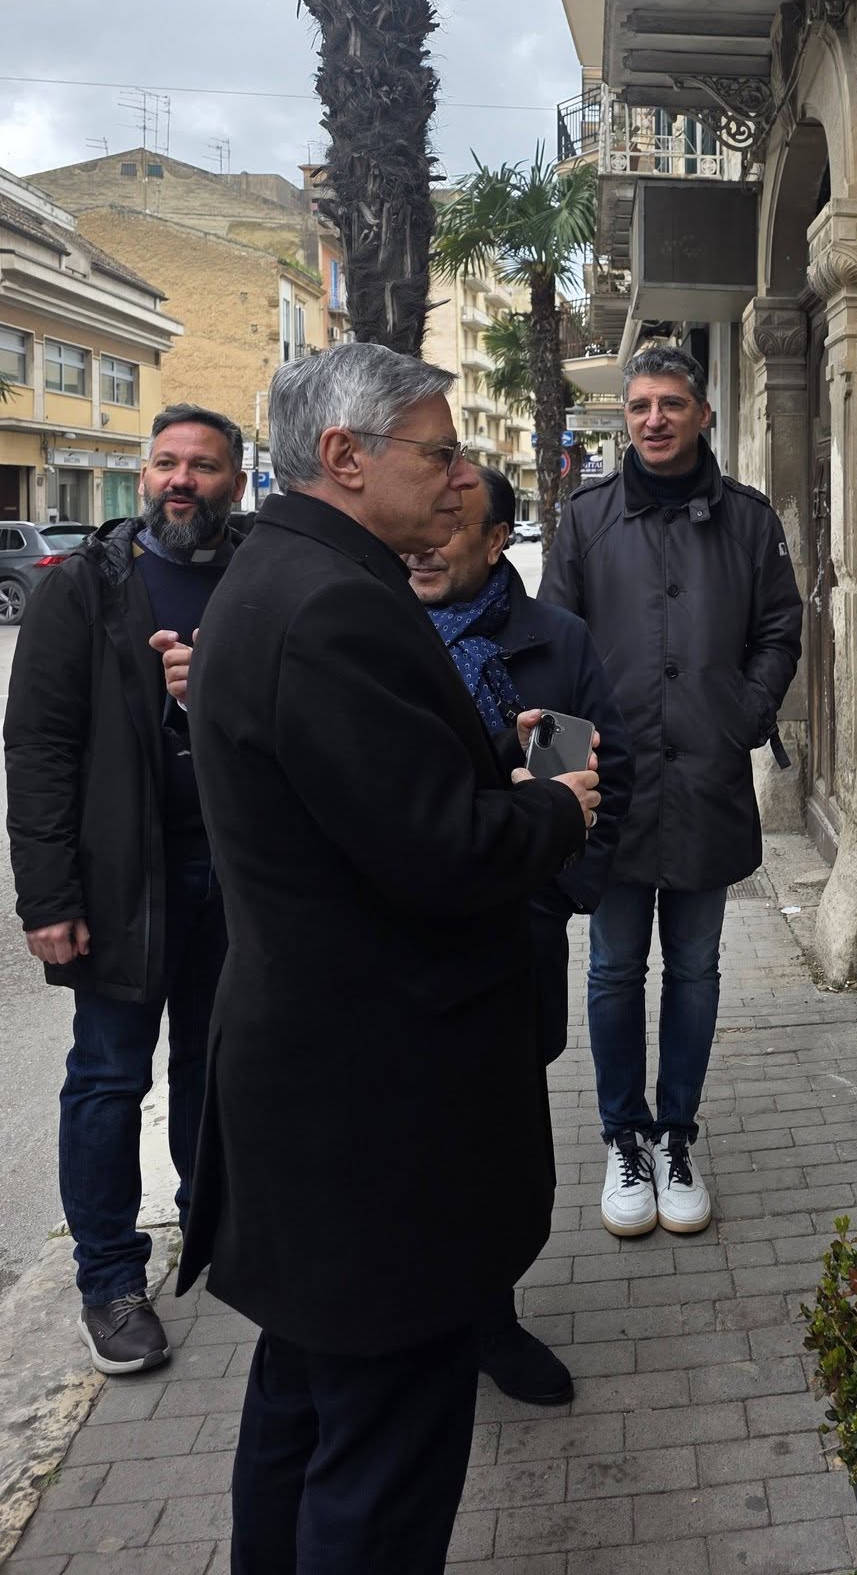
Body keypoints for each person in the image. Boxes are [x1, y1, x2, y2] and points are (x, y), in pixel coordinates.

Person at [177, 343, 599, 1575]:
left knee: (304, 1407)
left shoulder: (278, 580)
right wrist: (555, 806)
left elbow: (371, 800)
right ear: (346, 457)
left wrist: (484, 761)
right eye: (439, 449)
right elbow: (443, 852)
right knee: (382, 1458)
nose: (460, 475)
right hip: (374, 1119)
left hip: (313, 1105)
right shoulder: (334, 605)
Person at [5, 404, 248, 1375]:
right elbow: (40, 745)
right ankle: (109, 1279)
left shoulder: (254, 572)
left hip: (237, 870)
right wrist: (47, 894)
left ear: (236, 479)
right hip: (120, 878)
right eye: (166, 461)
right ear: (146, 474)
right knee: (108, 1077)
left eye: (203, 464)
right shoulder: (87, 587)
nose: (180, 477)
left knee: (215, 1062)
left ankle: (214, 1226)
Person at [541, 343, 802, 1239]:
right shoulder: (583, 522)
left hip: (705, 779)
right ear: (627, 417)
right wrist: (557, 795)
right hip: (609, 794)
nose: (654, 418)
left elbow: (779, 627)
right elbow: (553, 653)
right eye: (640, 404)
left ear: (703, 415)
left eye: (671, 403)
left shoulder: (749, 521)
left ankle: (677, 1130)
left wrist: (747, 713)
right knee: (613, 970)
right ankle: (625, 1136)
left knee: (694, 969)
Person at [405, 462, 633, 1406]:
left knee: (497, 1142)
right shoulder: (369, 634)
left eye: (450, 524)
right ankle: (419, 1324)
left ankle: (491, 1320)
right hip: (401, 947)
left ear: (499, 539)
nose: (425, 541)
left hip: (512, 936)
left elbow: (591, 790)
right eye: (420, 522)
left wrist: (550, 896)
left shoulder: (552, 641)